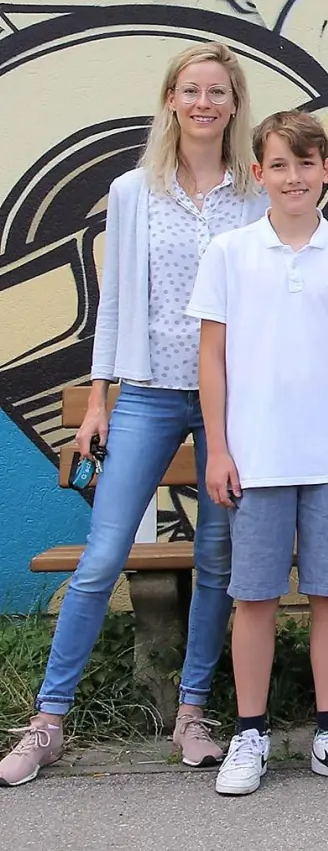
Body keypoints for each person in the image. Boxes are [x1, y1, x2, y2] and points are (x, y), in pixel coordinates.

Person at [0, 42, 267, 789]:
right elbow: (114, 302)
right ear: (171, 100)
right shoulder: (133, 190)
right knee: (101, 559)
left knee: (216, 558)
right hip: (147, 393)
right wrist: (98, 399)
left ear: (234, 104)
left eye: (218, 91)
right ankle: (48, 721)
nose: (205, 103)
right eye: (192, 90)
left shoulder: (253, 193)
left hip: (229, 399)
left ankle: (193, 712)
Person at [188, 111, 328, 795]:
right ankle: (250, 734)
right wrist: (218, 450)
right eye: (279, 165)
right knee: (255, 599)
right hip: (256, 459)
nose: (293, 177)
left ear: (327, 170)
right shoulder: (229, 252)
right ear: (259, 173)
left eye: (306, 164)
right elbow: (212, 359)